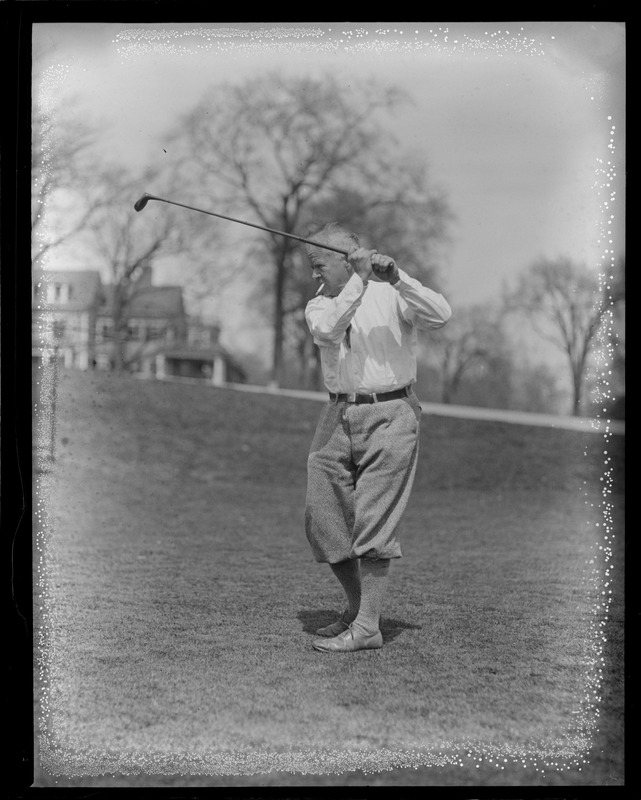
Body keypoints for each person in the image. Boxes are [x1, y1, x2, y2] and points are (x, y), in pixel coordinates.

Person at [304, 222, 452, 653]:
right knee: (322, 515)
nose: (315, 274)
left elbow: (441, 315)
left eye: (319, 265)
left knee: (373, 520)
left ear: (345, 256)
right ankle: (357, 610)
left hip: (392, 412)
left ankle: (368, 627)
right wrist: (357, 281)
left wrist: (396, 278)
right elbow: (328, 331)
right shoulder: (319, 305)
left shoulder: (392, 292)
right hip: (337, 413)